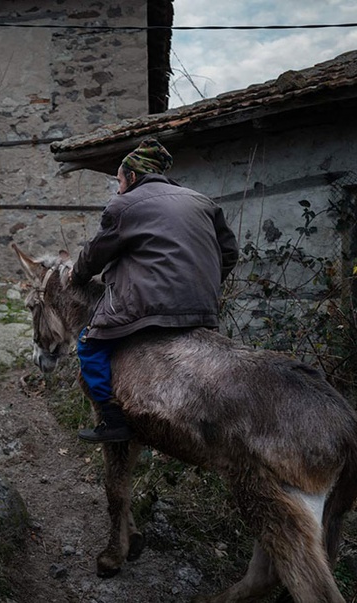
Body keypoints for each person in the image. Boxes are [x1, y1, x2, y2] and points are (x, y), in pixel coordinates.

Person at [69, 137, 239, 443]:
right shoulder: (203, 201)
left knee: (89, 346)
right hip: (202, 308)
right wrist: (204, 283)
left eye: (119, 181)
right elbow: (229, 253)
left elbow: (94, 255)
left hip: (148, 309)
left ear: (133, 177)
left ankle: (113, 421)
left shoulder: (124, 205)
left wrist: (77, 276)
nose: (118, 188)